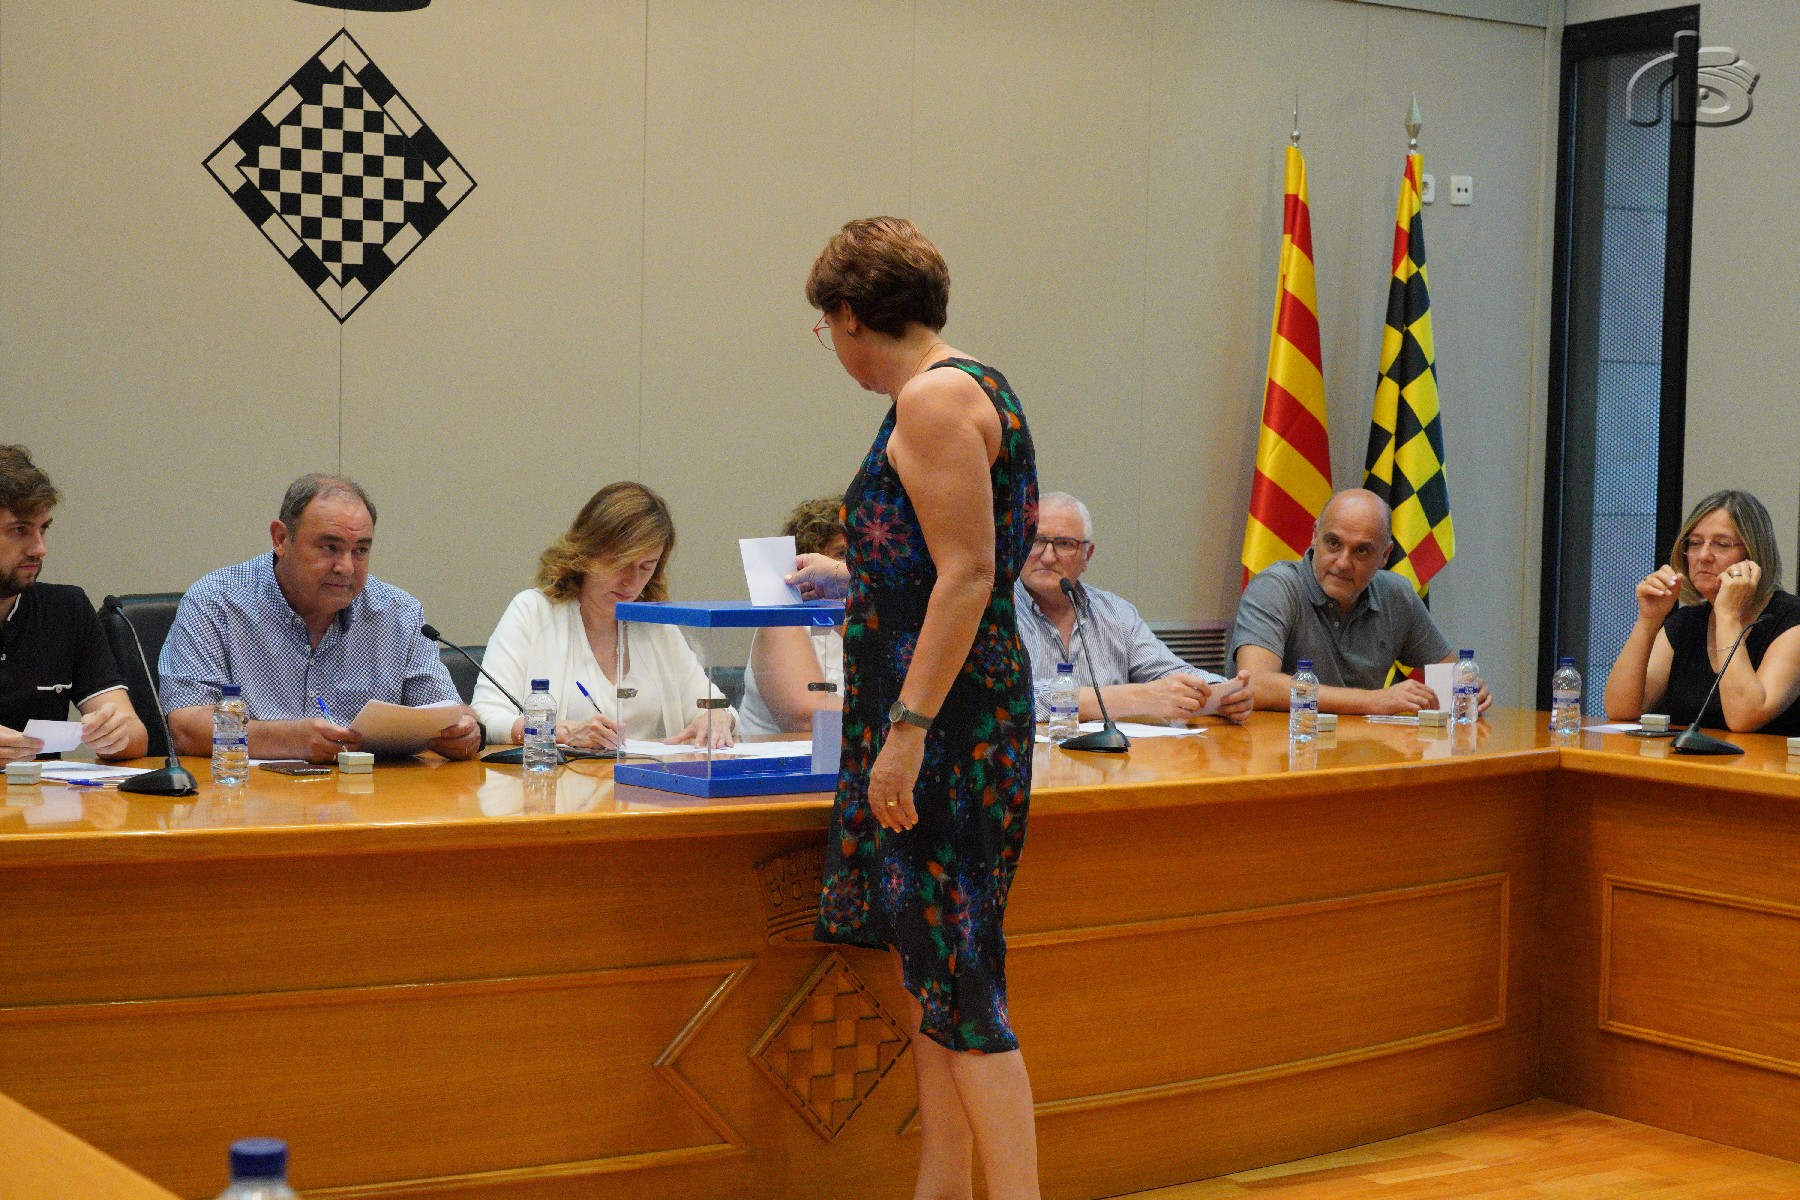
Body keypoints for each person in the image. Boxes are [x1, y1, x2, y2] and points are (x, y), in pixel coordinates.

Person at [789, 216, 1042, 1200]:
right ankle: (940, 1189)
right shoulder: (974, 384)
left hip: (947, 727)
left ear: (854, 315)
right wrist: (849, 574)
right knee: (931, 976)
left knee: (964, 982)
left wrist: (906, 735)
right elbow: (938, 560)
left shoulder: (932, 400)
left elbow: (969, 574)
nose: (834, 348)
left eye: (829, 327)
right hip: (959, 709)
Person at [160, 474, 480, 763]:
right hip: (250, 797)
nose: (346, 567)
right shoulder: (216, 601)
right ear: (281, 539)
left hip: (368, 799)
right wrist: (290, 740)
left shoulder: (399, 614)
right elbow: (186, 727)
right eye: (330, 547)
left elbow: (446, 709)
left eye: (360, 551)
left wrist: (465, 732)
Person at [473, 481, 734, 750]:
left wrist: (717, 717)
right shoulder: (533, 612)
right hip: (560, 776)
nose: (631, 581)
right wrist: (560, 732)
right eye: (621, 563)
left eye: (646, 567)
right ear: (586, 553)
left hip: (649, 775)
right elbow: (486, 717)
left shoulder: (656, 625)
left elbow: (716, 705)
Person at [1229, 488, 1490, 714]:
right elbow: (1257, 684)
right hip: (1286, 746)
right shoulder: (1276, 587)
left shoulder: (1395, 594)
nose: (1343, 563)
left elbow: (1449, 672)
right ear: (1315, 536)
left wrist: (1467, 688)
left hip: (1362, 747)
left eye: (1361, 550)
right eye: (1333, 543)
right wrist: (1374, 700)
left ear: (1385, 555)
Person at [1018, 491, 1252, 725]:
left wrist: (1224, 693)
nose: (1048, 557)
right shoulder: (999, 614)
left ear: (1087, 555)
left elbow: (1169, 673)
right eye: (1036, 541)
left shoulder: (1116, 613)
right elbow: (1011, 699)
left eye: (1064, 544)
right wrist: (1136, 698)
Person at [1604, 489, 1800, 735]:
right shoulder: (1686, 622)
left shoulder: (1791, 620)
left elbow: (1744, 718)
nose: (1703, 556)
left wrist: (1727, 615)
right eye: (1695, 543)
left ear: (1753, 554)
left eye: (1721, 544)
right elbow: (1620, 709)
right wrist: (1648, 620)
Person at [0, 445, 148, 763]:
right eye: (19, 530)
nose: (39, 549)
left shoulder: (66, 609)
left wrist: (115, 733)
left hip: (43, 794)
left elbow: (135, 736)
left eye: (43, 529)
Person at [738, 496, 847, 737]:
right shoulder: (782, 620)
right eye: (842, 554)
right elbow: (809, 718)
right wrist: (904, 713)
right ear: (805, 564)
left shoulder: (871, 617)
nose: (852, 567)